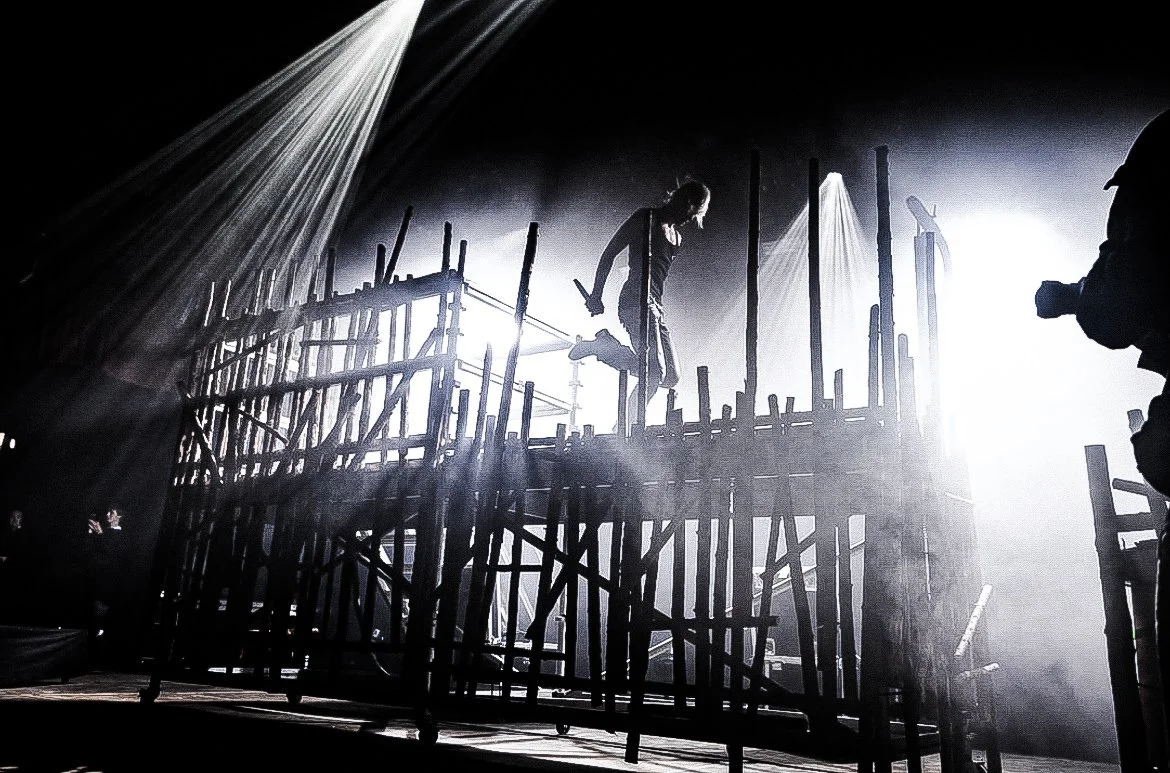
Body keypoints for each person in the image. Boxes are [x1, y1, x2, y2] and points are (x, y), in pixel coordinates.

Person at [569, 178, 711, 423]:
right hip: (635, 301)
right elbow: (610, 252)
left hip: (656, 306)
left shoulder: (676, 238)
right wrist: (596, 294)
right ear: (683, 200)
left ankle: (604, 347)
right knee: (654, 373)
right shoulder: (646, 218)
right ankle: (624, 427)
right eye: (691, 209)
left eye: (695, 214)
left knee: (671, 377)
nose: (690, 218)